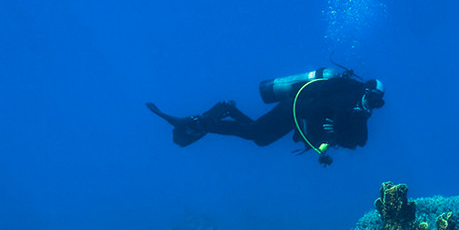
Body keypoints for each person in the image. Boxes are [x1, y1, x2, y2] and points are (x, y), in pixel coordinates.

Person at [146, 67, 385, 166]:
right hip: (294, 107)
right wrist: (339, 127)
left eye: (378, 103)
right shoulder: (348, 97)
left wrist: (345, 126)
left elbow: (359, 141)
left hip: (298, 116)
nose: (372, 105)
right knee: (255, 133)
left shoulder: (359, 111)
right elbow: (336, 116)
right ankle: (200, 123)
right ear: (366, 90)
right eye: (372, 98)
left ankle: (230, 111)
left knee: (260, 139)